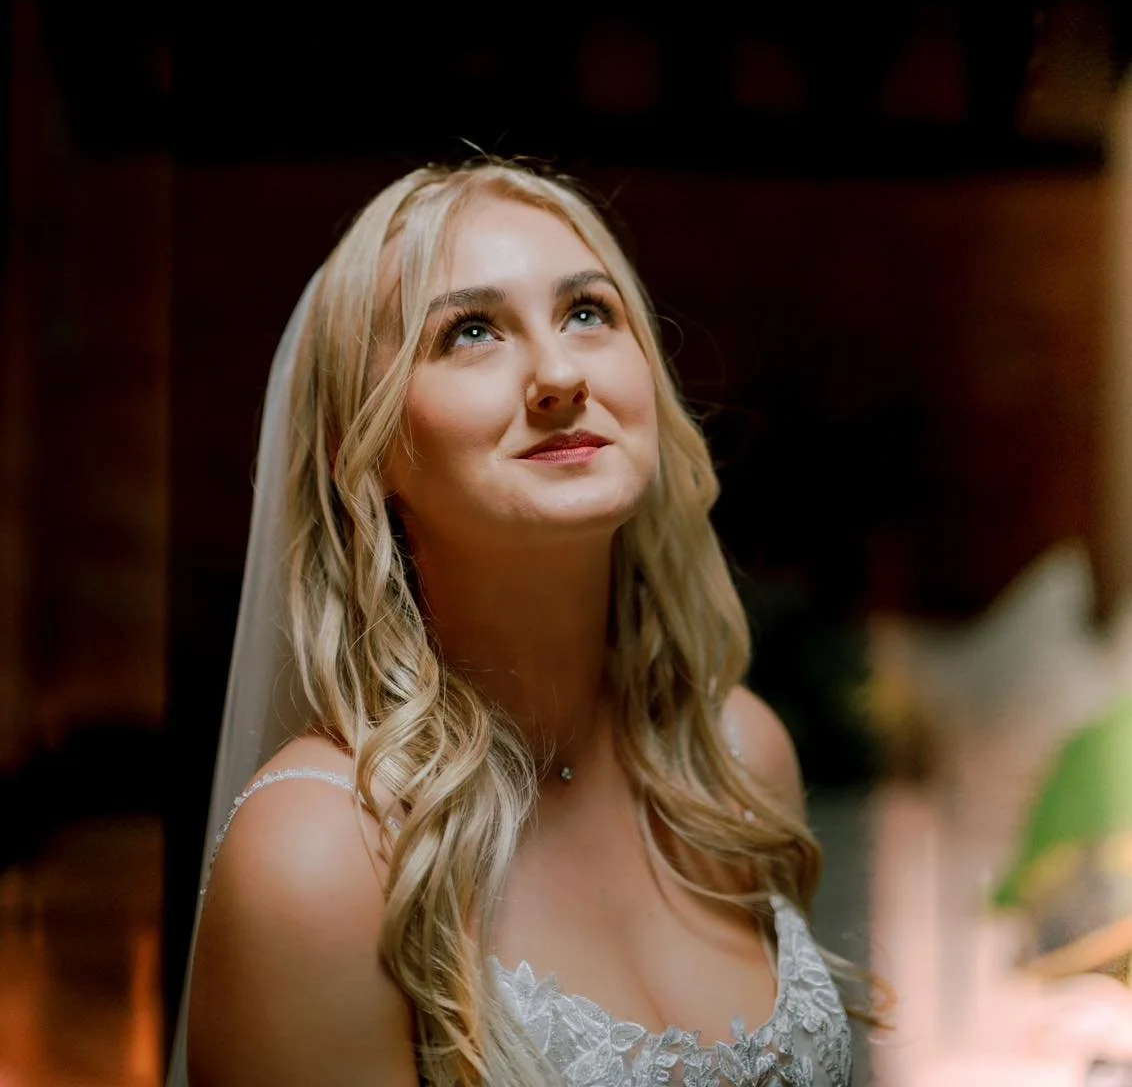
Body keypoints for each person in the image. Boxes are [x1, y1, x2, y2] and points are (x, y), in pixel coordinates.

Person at [167, 159, 863, 1087]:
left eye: (587, 312)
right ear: (361, 457)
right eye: (470, 332)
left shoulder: (735, 758)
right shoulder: (320, 860)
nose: (558, 374)